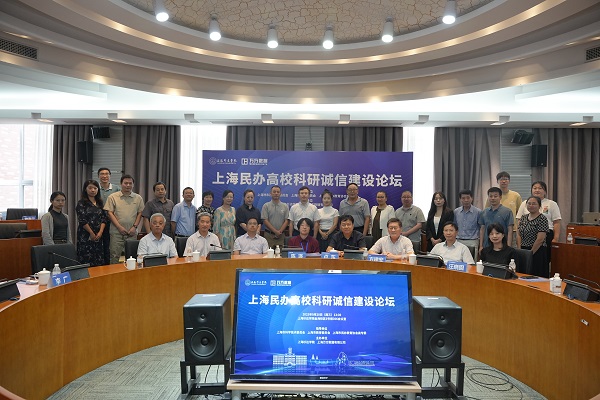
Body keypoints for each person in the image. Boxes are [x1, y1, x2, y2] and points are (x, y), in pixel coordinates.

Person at [104, 174, 144, 264]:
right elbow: (110, 213)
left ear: (133, 184)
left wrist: (134, 227)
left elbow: (140, 213)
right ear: (121, 184)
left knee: (132, 257)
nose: (128, 185)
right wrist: (119, 227)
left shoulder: (138, 198)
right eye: (125, 183)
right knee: (114, 256)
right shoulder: (112, 197)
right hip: (116, 233)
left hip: (132, 233)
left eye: (130, 183)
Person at [516, 181, 561, 260]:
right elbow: (519, 221)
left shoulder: (551, 203)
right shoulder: (525, 203)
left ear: (545, 191)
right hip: (526, 235)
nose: (537, 190)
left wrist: (555, 238)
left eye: (540, 188)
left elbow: (556, 222)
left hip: (545, 235)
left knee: (543, 259)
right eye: (535, 188)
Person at [485, 171, 522, 245]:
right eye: (501, 179)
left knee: (510, 248)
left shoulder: (516, 195)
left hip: (512, 229)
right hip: (495, 230)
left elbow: (519, 212)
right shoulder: (492, 196)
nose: (504, 181)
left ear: (509, 181)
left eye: (506, 179)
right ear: (497, 181)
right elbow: (487, 211)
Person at [76, 180, 107, 266]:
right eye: (90, 188)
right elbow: (82, 220)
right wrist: (91, 233)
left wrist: (100, 232)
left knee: (98, 259)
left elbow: (104, 219)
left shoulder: (100, 203)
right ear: (85, 189)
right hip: (85, 235)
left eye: (95, 188)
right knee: (86, 259)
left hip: (99, 235)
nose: (93, 190)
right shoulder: (81, 203)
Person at [517, 196, 549, 277]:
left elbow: (540, 239)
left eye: (534, 204)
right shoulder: (523, 217)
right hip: (523, 250)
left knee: (535, 276)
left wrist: (530, 253)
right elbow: (518, 234)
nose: (531, 205)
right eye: (529, 203)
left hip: (537, 251)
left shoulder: (542, 219)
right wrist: (520, 249)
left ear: (539, 206)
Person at [478, 187, 514, 254]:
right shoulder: (484, 212)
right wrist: (481, 246)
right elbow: (482, 229)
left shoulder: (507, 212)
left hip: (502, 246)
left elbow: (510, 230)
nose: (493, 198)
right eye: (490, 196)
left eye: (495, 196)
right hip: (487, 245)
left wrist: (508, 247)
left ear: (500, 197)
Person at [97, 167, 120, 265]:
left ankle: (108, 265)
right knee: (98, 244)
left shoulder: (116, 188)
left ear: (110, 176)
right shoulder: (95, 188)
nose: (104, 176)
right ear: (98, 176)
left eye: (107, 174)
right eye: (102, 174)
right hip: (97, 221)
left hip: (112, 221)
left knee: (109, 245)